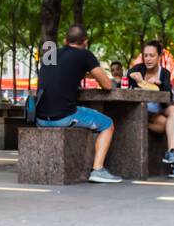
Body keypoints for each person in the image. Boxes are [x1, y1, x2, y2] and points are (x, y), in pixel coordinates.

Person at [35, 24, 122, 183]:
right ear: (85, 42)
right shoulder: (85, 55)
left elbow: (55, 77)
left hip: (39, 117)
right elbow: (107, 85)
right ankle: (98, 169)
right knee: (107, 124)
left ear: (65, 40)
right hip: (63, 116)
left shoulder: (51, 54)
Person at [126, 41, 174, 179]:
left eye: (152, 55)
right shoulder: (135, 71)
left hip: (157, 111)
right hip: (140, 114)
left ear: (159, 56)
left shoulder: (164, 73)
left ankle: (172, 155)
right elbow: (129, 93)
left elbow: (167, 95)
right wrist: (140, 82)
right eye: (146, 55)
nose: (148, 59)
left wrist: (159, 84)